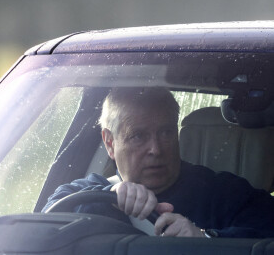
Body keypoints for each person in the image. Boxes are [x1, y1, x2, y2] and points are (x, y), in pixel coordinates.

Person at [42, 87, 274, 238]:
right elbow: (42, 227)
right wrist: (109, 196)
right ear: (110, 143)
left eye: (165, 132)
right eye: (138, 136)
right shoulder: (83, 193)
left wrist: (205, 239)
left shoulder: (222, 193)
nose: (156, 149)